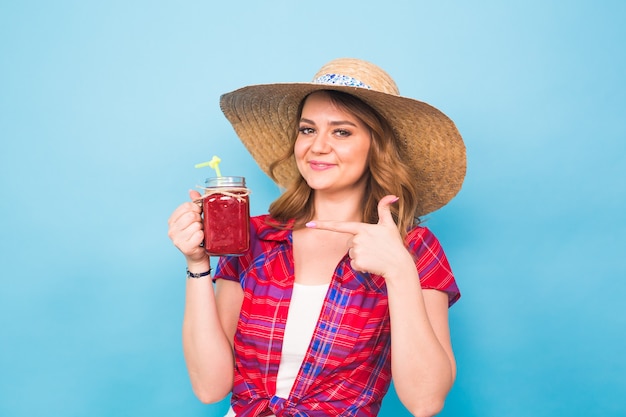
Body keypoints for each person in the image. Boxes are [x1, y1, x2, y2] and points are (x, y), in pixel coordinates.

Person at [167, 58, 466, 417]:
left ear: (377, 145)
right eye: (308, 130)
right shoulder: (255, 238)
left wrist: (399, 272)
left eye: (342, 132)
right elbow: (210, 388)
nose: (318, 146)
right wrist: (197, 265)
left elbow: (425, 402)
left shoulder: (412, 247)